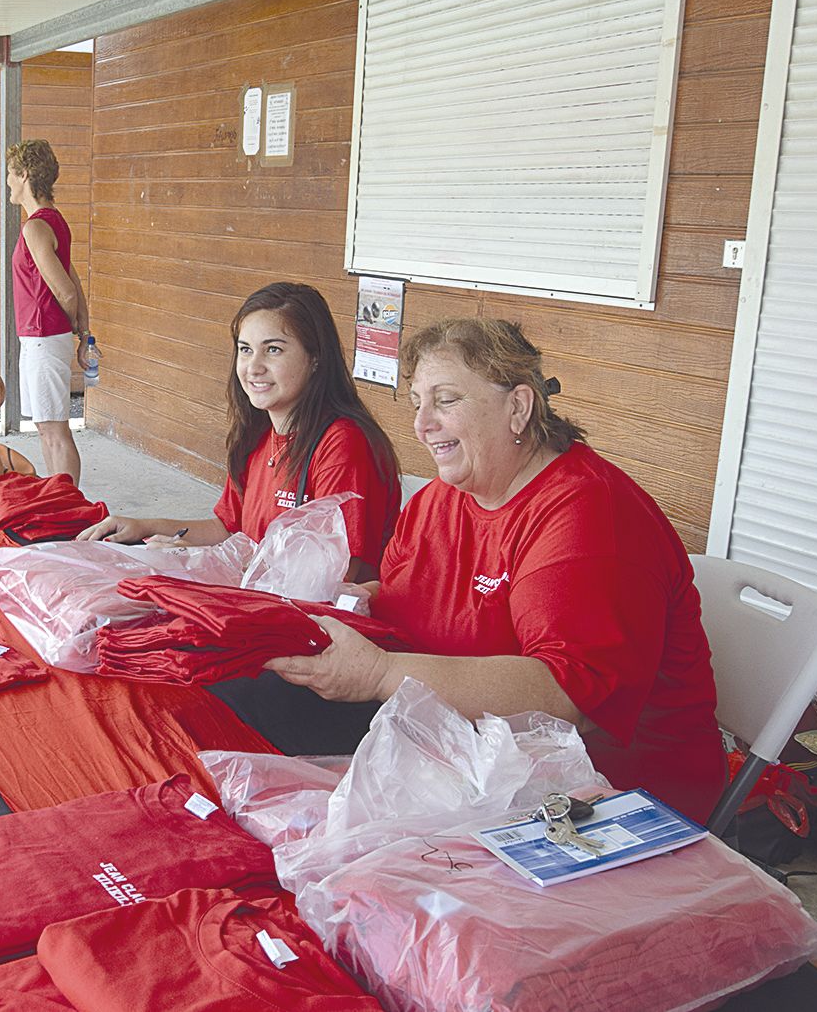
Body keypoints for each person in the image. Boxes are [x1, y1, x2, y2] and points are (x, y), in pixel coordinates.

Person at [266, 318, 727, 823]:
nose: (422, 424)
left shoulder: (589, 513)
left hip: (609, 793)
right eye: (418, 402)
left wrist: (377, 672)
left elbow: (566, 697)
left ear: (518, 408)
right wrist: (351, 600)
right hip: (463, 750)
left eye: (445, 400)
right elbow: (402, 594)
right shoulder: (442, 498)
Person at [78, 282, 400, 583]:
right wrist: (142, 527)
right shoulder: (258, 433)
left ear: (315, 358)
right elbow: (229, 528)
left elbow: (335, 576)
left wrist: (207, 560)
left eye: (273, 350)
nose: (253, 366)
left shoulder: (343, 445)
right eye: (246, 350)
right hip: (256, 602)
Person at [6, 139, 89, 482]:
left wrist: (68, 325)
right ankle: (59, 495)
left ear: (24, 175)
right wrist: (83, 333)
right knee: (46, 427)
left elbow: (66, 290)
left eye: (10, 174)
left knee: (55, 430)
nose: (8, 181)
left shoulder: (35, 226)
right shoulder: (53, 221)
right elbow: (75, 281)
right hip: (42, 338)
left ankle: (69, 504)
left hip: (43, 337)